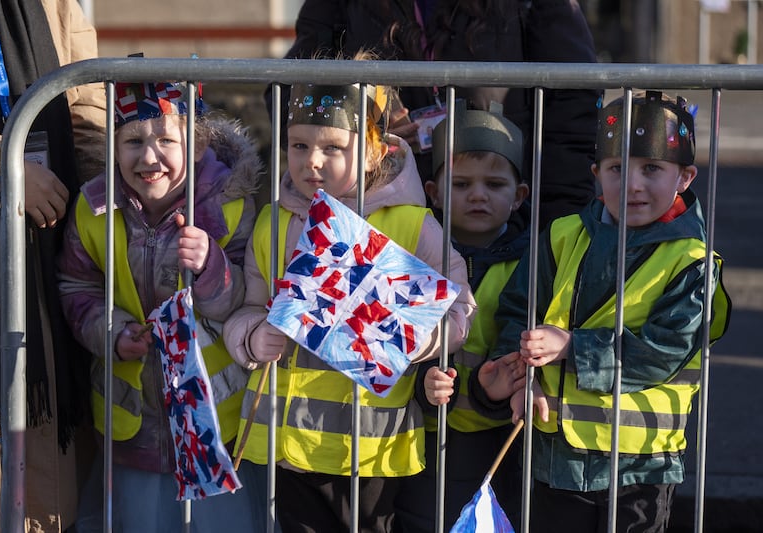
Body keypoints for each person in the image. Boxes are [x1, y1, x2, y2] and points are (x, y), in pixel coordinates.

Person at [222, 73, 476, 532]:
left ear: (375, 150)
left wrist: (420, 337)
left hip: (371, 448)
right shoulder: (270, 222)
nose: (311, 162)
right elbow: (249, 306)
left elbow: (460, 308)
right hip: (287, 443)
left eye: (332, 148)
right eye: (298, 146)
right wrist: (253, 335)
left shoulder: (414, 225)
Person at [472, 90, 732, 532]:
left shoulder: (692, 261)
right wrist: (517, 375)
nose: (633, 184)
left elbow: (665, 350)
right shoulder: (562, 236)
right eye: (617, 169)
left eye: (652, 169)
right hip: (556, 460)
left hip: (640, 467)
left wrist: (572, 346)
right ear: (597, 174)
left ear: (685, 177)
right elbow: (518, 311)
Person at [56, 80, 262, 532]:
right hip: (134, 425)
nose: (149, 158)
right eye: (132, 141)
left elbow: (250, 299)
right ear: (112, 145)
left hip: (216, 428)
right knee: (139, 521)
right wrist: (111, 333)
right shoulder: (93, 208)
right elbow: (77, 286)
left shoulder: (230, 206)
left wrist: (212, 265)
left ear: (199, 141)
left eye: (167, 140)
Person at [0, 0, 105, 531]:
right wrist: (4, 164)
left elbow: (86, 107)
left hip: (44, 258)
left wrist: (101, 213)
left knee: (44, 469)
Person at [273, 0, 599, 229]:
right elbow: (292, 89)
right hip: (389, 218)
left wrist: (557, 227)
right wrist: (371, 123)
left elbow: (574, 107)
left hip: (508, 222)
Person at [394, 103, 530, 531]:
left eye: (494, 184)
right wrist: (422, 383)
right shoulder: (413, 255)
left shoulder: (534, 261)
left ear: (519, 195)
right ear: (433, 192)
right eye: (461, 183)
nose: (477, 195)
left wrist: (495, 389)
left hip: (503, 440)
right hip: (425, 433)